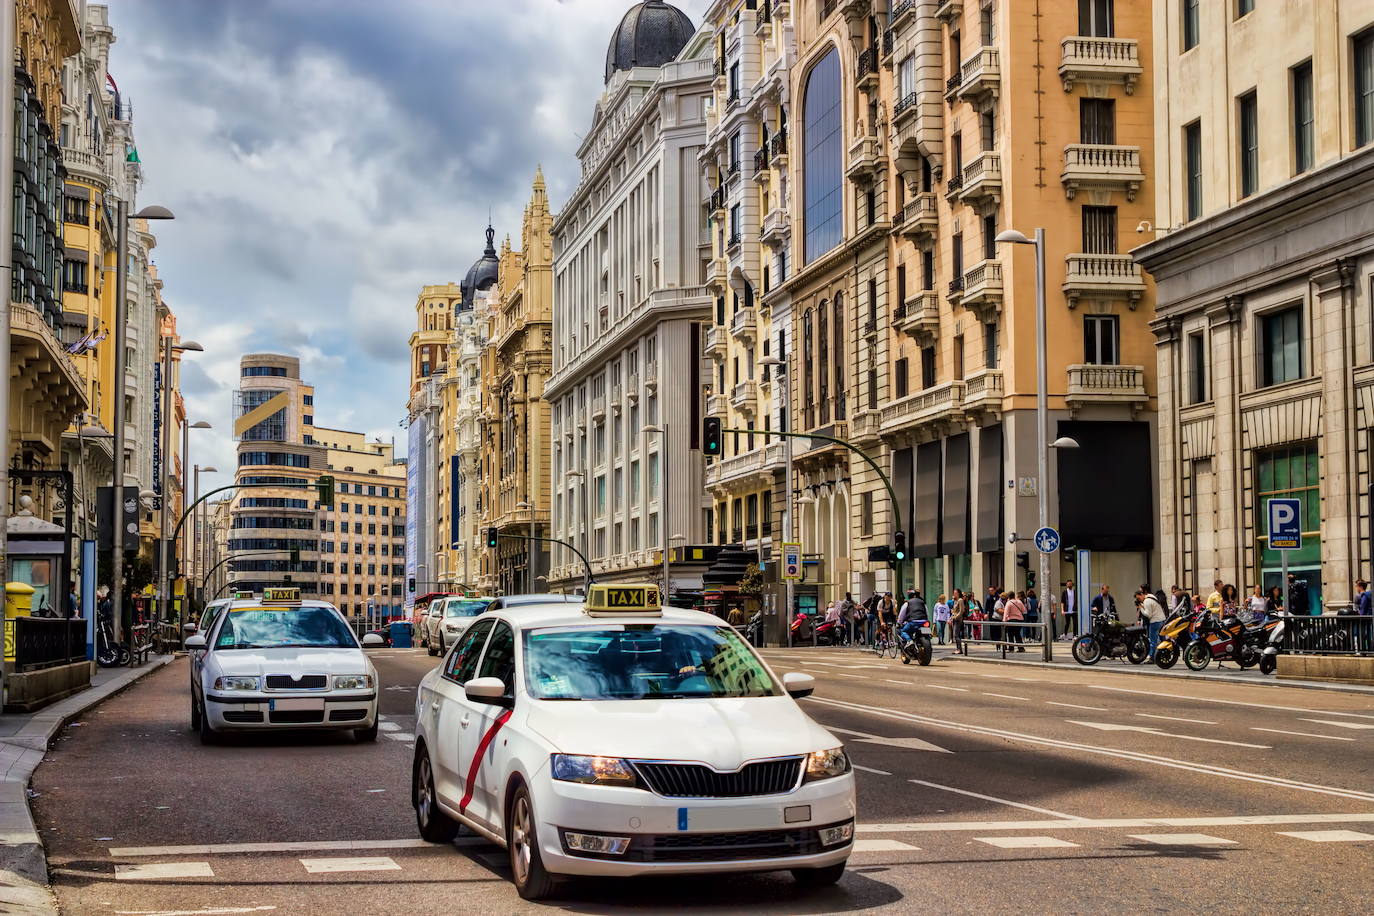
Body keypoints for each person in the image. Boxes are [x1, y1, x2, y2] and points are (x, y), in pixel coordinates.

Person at [1138, 588, 1166, 660]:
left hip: (1155, 622)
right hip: (1162, 620)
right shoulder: (1152, 597)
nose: (1139, 600)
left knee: (1153, 641)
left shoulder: (1146, 601)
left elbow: (1148, 615)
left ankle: (1152, 657)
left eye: (1139, 598)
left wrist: (1141, 608)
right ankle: (1165, 654)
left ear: (1142, 594)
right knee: (1163, 640)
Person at [950, 589, 968, 655]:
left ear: (958, 593)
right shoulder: (955, 601)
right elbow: (955, 610)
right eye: (954, 593)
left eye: (955, 593)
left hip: (958, 620)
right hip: (954, 619)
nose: (954, 594)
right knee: (955, 635)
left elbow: (962, 610)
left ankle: (959, 649)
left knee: (956, 635)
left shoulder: (960, 600)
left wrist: (956, 616)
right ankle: (958, 648)